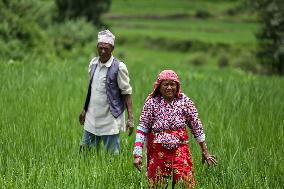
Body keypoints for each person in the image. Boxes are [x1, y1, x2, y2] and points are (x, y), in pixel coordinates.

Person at [133, 70, 217, 188]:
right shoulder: (151, 103)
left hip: (180, 151)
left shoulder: (185, 102)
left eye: (172, 84)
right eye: (165, 84)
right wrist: (137, 154)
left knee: (184, 183)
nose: (169, 88)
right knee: (158, 184)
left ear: (177, 86)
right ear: (159, 86)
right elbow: (142, 128)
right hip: (158, 152)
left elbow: (196, 127)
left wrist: (205, 151)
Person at [79, 29, 133, 154]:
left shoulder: (119, 67)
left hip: (110, 117)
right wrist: (84, 109)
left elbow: (126, 92)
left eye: (106, 48)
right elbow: (91, 89)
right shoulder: (93, 63)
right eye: (100, 48)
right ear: (97, 47)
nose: (103, 51)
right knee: (85, 151)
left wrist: (130, 118)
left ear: (112, 48)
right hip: (92, 115)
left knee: (112, 155)